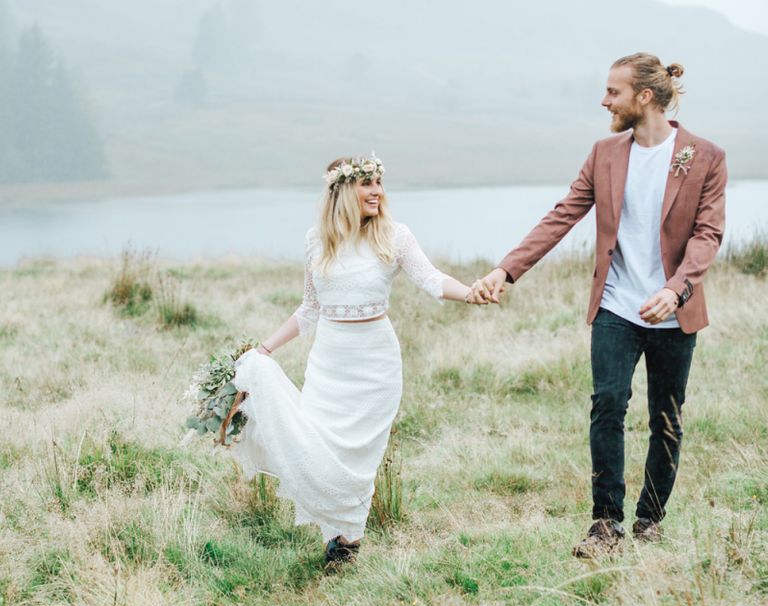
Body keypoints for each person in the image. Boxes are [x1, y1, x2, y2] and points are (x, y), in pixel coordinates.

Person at [469, 53, 727, 558]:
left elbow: (708, 234)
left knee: (666, 417)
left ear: (644, 97)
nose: (604, 101)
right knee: (607, 404)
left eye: (613, 92)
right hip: (615, 306)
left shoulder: (705, 156)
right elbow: (561, 216)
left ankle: (649, 521)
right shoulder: (604, 153)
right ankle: (605, 523)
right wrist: (506, 269)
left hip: (674, 310)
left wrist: (675, 289)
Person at [227, 154, 475, 564]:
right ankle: (334, 526)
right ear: (342, 191)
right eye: (366, 183)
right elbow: (309, 308)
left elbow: (431, 279)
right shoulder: (315, 241)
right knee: (319, 443)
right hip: (329, 364)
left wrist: (468, 292)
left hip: (375, 367)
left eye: (379, 182)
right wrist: (264, 350)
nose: (377, 191)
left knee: (359, 456)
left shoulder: (395, 237)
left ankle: (347, 542)